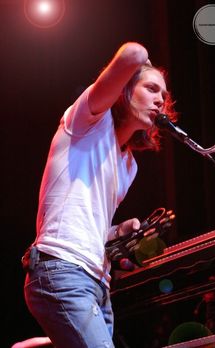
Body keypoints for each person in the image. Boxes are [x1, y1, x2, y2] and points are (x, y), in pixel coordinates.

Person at [22, 41, 177, 348]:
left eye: (164, 94)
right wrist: (141, 61)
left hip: (97, 284)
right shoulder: (88, 120)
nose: (161, 99)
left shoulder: (128, 165)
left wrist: (118, 231)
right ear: (125, 89)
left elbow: (83, 225)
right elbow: (133, 53)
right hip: (62, 270)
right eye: (151, 88)